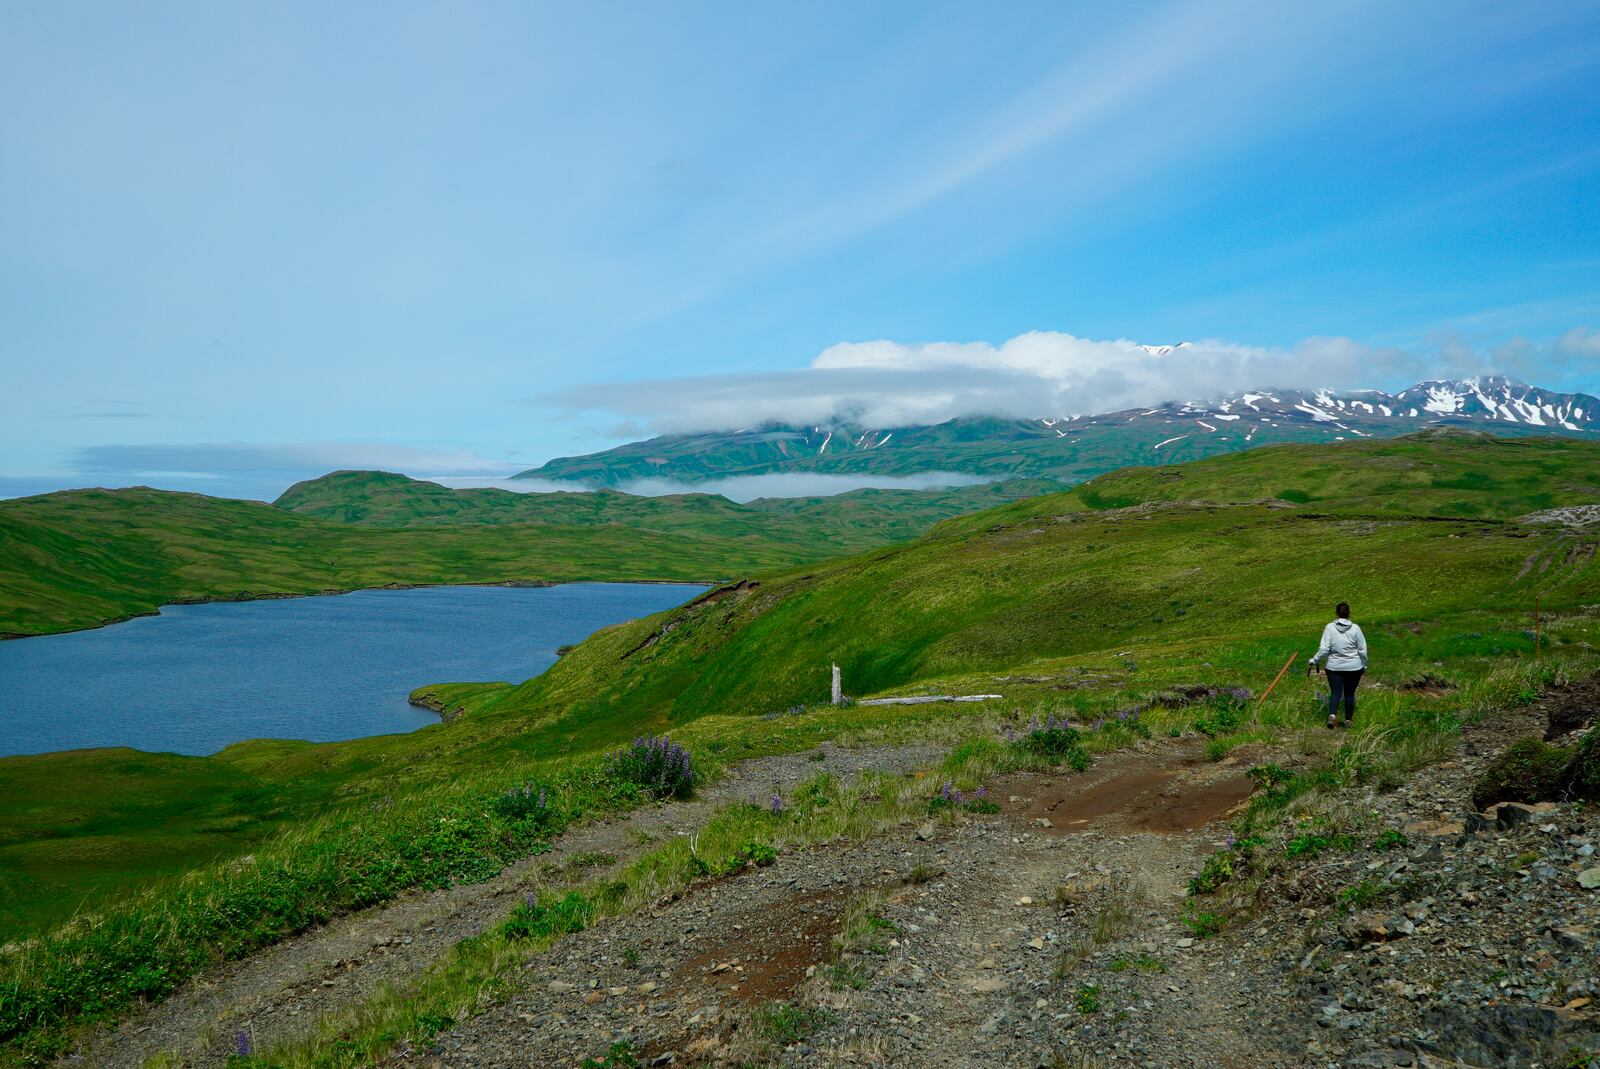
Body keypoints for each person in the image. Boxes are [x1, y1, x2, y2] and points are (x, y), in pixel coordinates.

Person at [1307, 602, 1368, 729]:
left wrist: (1315, 660)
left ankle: (1332, 715)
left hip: (1334, 667)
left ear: (1336, 613)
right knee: (1350, 694)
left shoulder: (1330, 627)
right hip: (1354, 667)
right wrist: (1364, 665)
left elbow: (1324, 648)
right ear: (1349, 613)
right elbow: (1362, 650)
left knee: (1335, 693)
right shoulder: (1355, 628)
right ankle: (1348, 721)